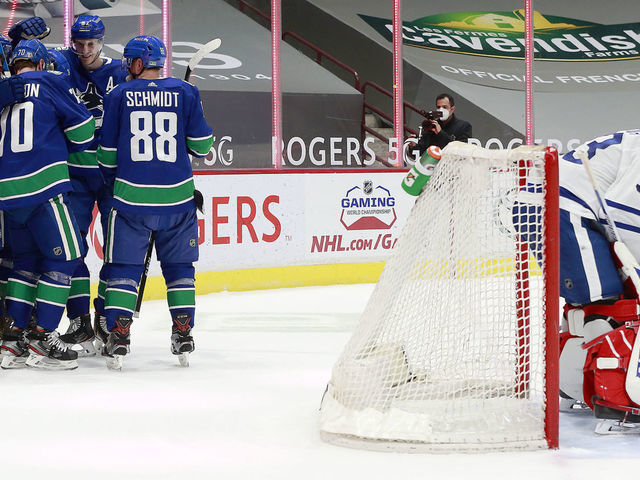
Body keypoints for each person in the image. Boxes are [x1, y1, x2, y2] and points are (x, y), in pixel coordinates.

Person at [98, 35, 213, 369]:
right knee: (179, 270)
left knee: (123, 270)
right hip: (177, 200)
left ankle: (119, 334)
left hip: (132, 199)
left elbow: (106, 157)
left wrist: (114, 181)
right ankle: (183, 332)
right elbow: (203, 147)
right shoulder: (186, 92)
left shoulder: (118, 94)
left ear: (136, 63)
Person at [0, 39, 95, 370]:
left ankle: (12, 342)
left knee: (24, 262)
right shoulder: (50, 81)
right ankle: (43, 335)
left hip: (7, 194)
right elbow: (83, 132)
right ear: (41, 65)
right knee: (67, 257)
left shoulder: (2, 90)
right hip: (44, 187)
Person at [555, 130, 640, 428]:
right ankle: (616, 404)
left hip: (552, 204)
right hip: (564, 209)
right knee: (611, 311)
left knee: (590, 307)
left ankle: (568, 384)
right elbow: (622, 212)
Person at [55, 15, 128, 356]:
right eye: (79, 44)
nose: (85, 51)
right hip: (75, 174)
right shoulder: (64, 63)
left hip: (112, 176)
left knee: (117, 250)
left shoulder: (120, 71)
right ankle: (81, 320)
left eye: (91, 44)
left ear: (102, 41)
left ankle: (106, 316)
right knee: (73, 248)